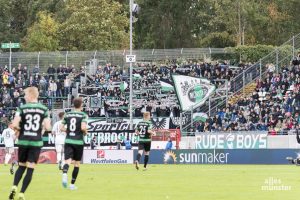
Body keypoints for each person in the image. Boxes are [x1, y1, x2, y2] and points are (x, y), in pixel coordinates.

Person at [8, 87, 51, 200]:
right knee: (31, 168)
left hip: (23, 141)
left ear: (32, 95)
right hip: (36, 142)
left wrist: (21, 128)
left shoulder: (22, 108)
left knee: (21, 166)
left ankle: (14, 187)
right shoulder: (44, 109)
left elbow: (14, 124)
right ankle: (22, 193)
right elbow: (48, 127)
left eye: (26, 95)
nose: (25, 97)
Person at [60, 97, 88, 190]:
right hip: (78, 141)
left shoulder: (67, 114)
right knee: (76, 163)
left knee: (67, 161)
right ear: (81, 105)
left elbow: (61, 128)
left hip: (68, 140)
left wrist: (69, 131)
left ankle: (64, 174)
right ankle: (72, 185)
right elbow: (83, 127)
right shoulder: (83, 115)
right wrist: (85, 132)